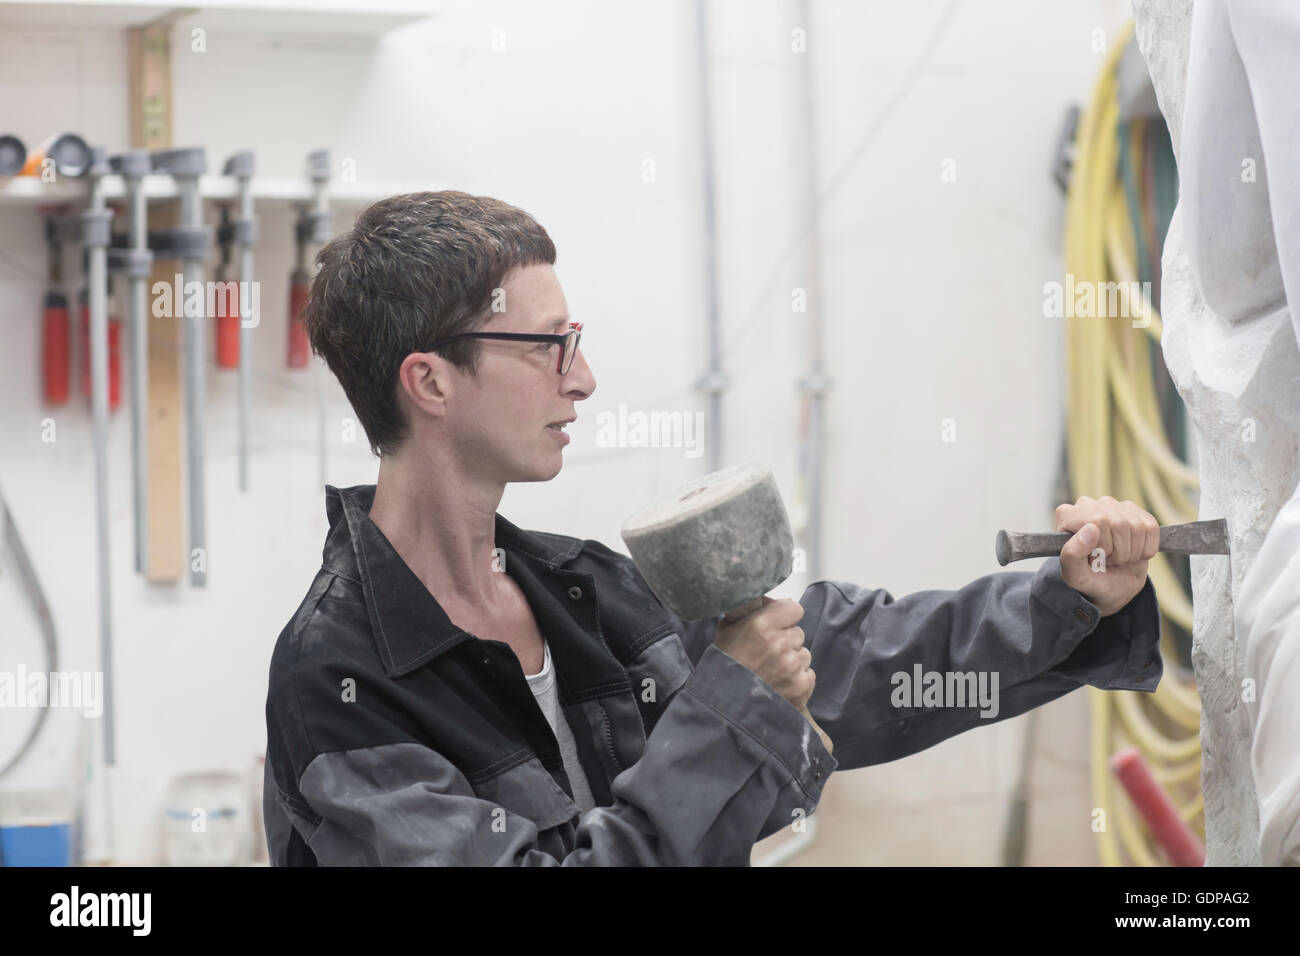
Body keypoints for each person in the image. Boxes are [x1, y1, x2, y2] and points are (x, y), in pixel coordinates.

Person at [262, 190, 1164, 866]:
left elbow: (848, 662)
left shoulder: (580, 592)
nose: (583, 379)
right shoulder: (337, 683)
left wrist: (1070, 600)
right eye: (548, 346)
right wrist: (733, 705)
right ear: (430, 382)